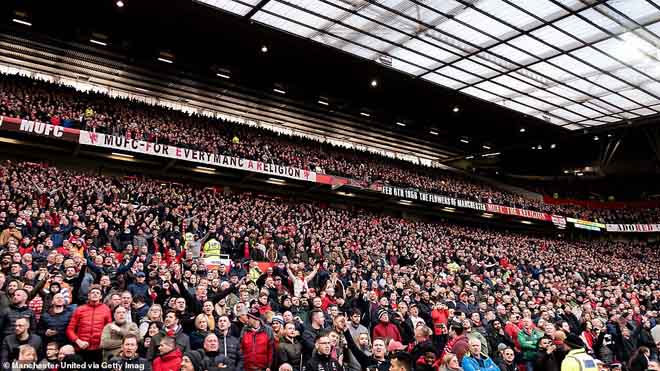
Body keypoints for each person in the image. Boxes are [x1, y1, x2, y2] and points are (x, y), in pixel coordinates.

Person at [66, 284, 112, 363]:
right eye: (93, 292)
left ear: (101, 297)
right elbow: (69, 330)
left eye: (97, 293)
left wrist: (103, 343)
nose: (95, 294)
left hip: (98, 350)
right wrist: (78, 341)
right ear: (88, 296)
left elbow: (109, 329)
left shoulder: (106, 309)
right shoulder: (79, 309)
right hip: (81, 348)